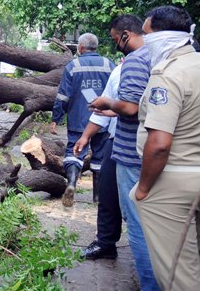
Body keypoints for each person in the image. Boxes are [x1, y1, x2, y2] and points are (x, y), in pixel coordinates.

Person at [132, 6, 200, 290]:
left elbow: (159, 145)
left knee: (180, 277)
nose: (143, 40)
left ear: (162, 37)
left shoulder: (167, 74)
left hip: (173, 188)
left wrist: (142, 189)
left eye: (146, 33)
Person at [88, 14, 159, 291]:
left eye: (116, 39)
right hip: (130, 144)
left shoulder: (136, 61)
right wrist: (109, 110)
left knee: (137, 220)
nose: (116, 44)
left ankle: (151, 284)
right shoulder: (163, 61)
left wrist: (110, 103)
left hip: (132, 151)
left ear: (127, 35)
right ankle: (107, 243)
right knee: (109, 195)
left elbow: (130, 108)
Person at [49, 33, 115, 207]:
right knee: (100, 158)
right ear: (96, 47)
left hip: (78, 119)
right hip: (103, 119)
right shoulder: (109, 65)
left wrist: (56, 117)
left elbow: (63, 96)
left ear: (80, 47)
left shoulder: (73, 66)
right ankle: (97, 197)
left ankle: (71, 184)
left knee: (74, 153)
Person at [73, 62, 123, 259]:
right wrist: (85, 136)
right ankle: (106, 243)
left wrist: (115, 109)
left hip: (143, 142)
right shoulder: (117, 70)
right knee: (108, 193)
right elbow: (101, 112)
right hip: (115, 137)